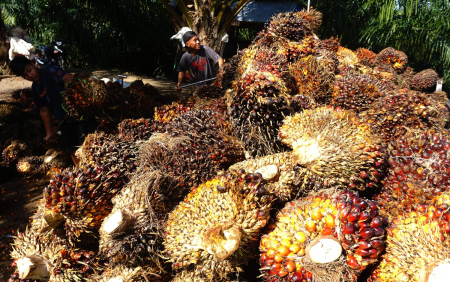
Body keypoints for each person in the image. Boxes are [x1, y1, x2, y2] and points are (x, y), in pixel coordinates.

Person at [9, 56, 94, 166]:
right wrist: (49, 132)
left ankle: (95, 168)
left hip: (80, 116)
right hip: (63, 121)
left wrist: (71, 101)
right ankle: (82, 171)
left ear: (32, 63)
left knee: (89, 145)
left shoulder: (49, 71)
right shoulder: (35, 90)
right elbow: (44, 110)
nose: (30, 76)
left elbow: (68, 78)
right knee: (71, 148)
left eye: (29, 70)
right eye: (25, 75)